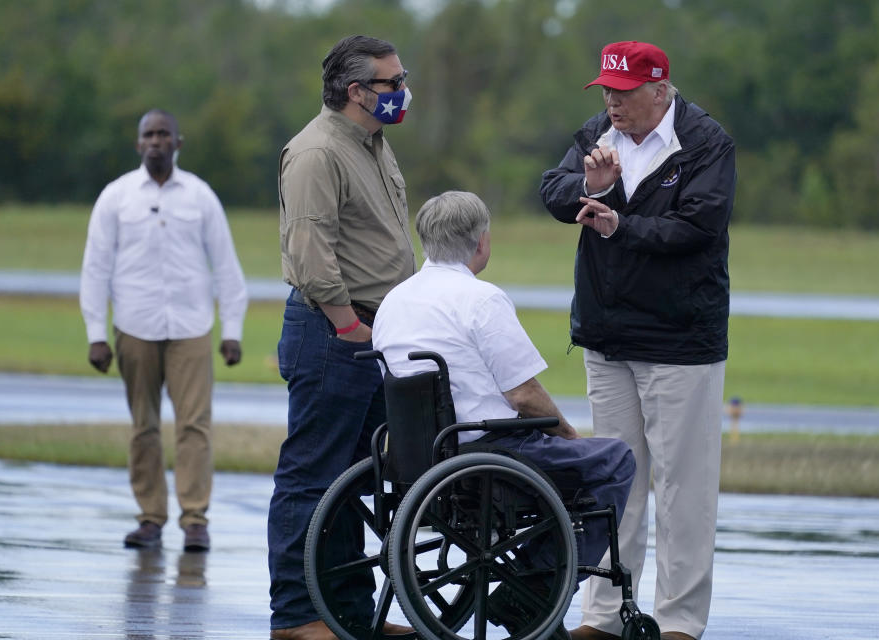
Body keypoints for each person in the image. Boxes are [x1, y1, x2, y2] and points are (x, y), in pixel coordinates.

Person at [373, 190, 637, 638]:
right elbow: (525, 396)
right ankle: (539, 584)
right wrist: (569, 435)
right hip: (489, 453)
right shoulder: (480, 300)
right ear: (481, 242)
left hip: (419, 458)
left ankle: (536, 574)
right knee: (613, 460)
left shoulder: (393, 303)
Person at [539, 42, 736, 640]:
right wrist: (587, 186)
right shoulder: (601, 131)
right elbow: (552, 190)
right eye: (605, 90)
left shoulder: (705, 143)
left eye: (622, 92)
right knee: (613, 484)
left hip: (680, 340)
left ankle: (679, 623)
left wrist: (620, 217)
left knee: (683, 489)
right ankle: (600, 616)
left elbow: (698, 226)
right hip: (608, 336)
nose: (611, 103)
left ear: (660, 90)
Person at [267, 35, 416, 640]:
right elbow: (310, 251)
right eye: (392, 83)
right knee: (311, 477)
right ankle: (298, 617)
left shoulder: (373, 143)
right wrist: (349, 326)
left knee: (354, 483)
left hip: (370, 331)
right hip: (334, 329)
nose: (404, 92)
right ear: (357, 92)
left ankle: (348, 615)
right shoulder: (317, 152)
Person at [79, 108, 248, 552]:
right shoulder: (116, 197)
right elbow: (95, 269)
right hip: (134, 325)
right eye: (148, 135)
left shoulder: (200, 196)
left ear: (178, 142)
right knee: (144, 426)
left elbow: (227, 267)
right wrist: (96, 333)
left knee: (195, 425)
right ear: (138, 145)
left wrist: (232, 330)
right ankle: (150, 518)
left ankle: (195, 520)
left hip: (191, 327)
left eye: (163, 134)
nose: (155, 141)